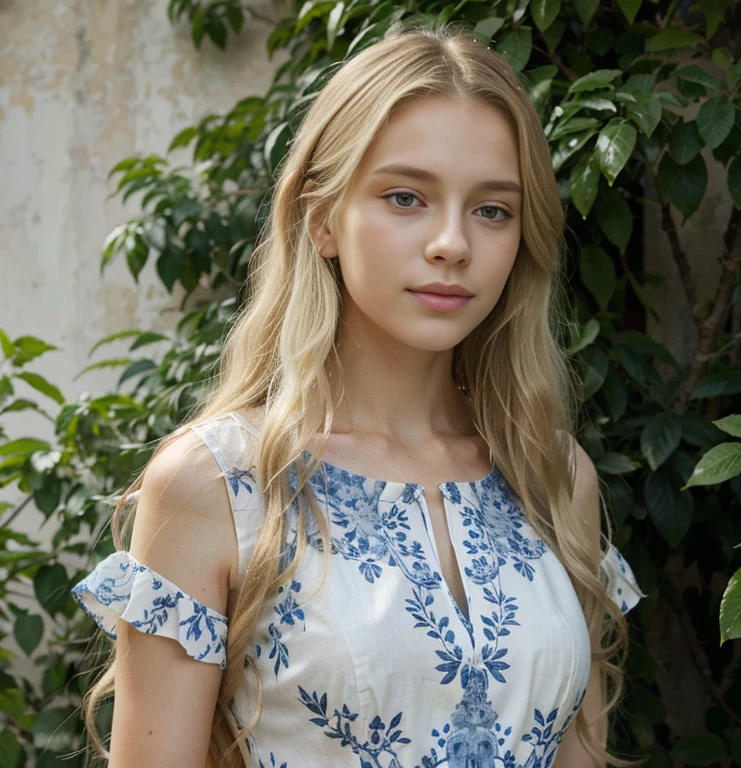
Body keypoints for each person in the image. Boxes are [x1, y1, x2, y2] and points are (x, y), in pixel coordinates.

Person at [71, 22, 644, 768]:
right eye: (406, 197)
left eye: (492, 210)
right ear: (321, 221)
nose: (452, 243)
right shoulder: (221, 484)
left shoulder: (555, 477)